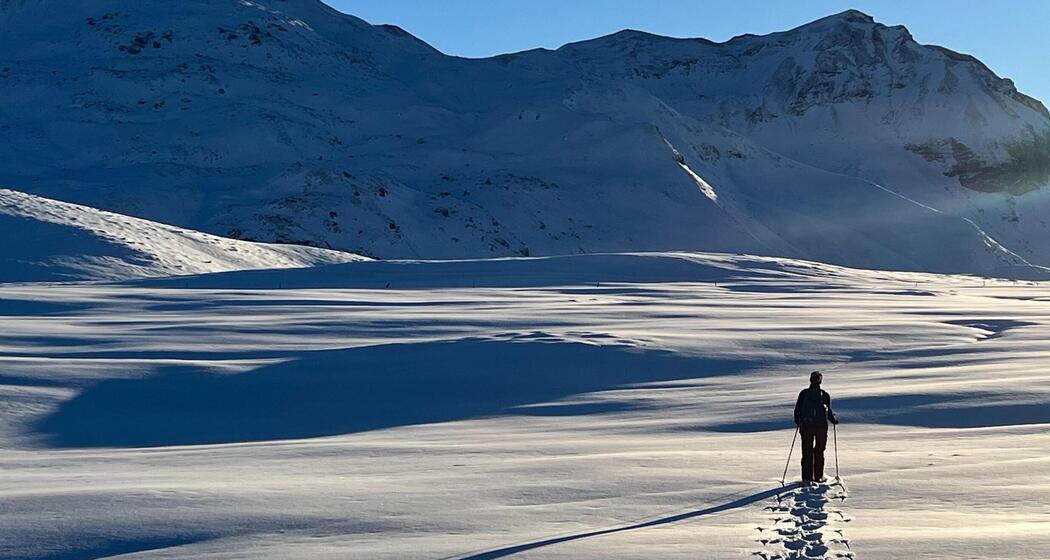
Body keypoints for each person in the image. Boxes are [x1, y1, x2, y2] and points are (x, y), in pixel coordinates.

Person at [793, 371, 838, 483]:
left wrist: (798, 421)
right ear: (820, 381)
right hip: (821, 426)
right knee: (819, 451)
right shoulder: (825, 395)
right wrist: (833, 420)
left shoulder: (804, 393)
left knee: (806, 451)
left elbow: (797, 409)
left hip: (806, 426)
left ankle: (807, 477)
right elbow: (828, 411)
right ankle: (818, 476)